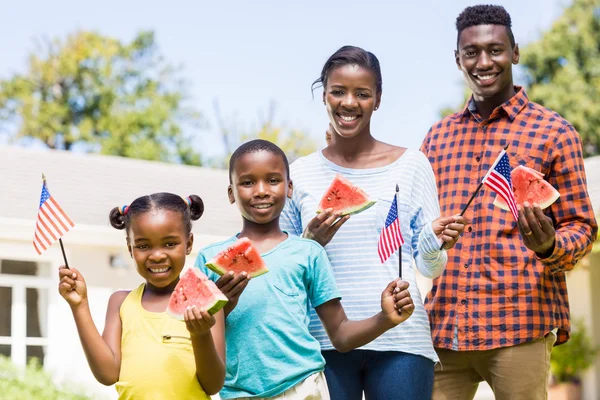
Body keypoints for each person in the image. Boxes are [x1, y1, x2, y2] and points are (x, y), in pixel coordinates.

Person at [420, 5, 598, 400]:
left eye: (495, 50)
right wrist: (428, 236)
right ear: (458, 59)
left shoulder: (554, 132)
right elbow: (419, 227)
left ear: (514, 52)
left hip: (520, 324)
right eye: (471, 52)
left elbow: (583, 227)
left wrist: (550, 246)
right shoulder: (436, 137)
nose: (484, 62)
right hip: (447, 325)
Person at [279, 45, 468, 400]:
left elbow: (430, 266)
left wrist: (433, 242)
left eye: (362, 94)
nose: (348, 102)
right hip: (322, 341)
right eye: (338, 91)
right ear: (324, 95)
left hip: (402, 337)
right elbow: (284, 270)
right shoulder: (299, 173)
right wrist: (309, 243)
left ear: (377, 100)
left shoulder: (412, 164)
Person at [195, 139, 416, 400]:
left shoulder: (309, 252)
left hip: (304, 388)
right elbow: (198, 340)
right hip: (237, 394)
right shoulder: (209, 260)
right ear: (231, 193)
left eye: (273, 180)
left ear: (289, 188)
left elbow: (341, 335)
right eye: (247, 182)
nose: (262, 190)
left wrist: (384, 319)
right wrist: (221, 309)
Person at [58, 193, 225, 399]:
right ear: (130, 248)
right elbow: (108, 374)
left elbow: (213, 384)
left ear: (188, 243)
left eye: (170, 244)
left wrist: (200, 335)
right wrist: (80, 305)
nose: (156, 255)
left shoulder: (205, 300)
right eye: (144, 246)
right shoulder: (120, 302)